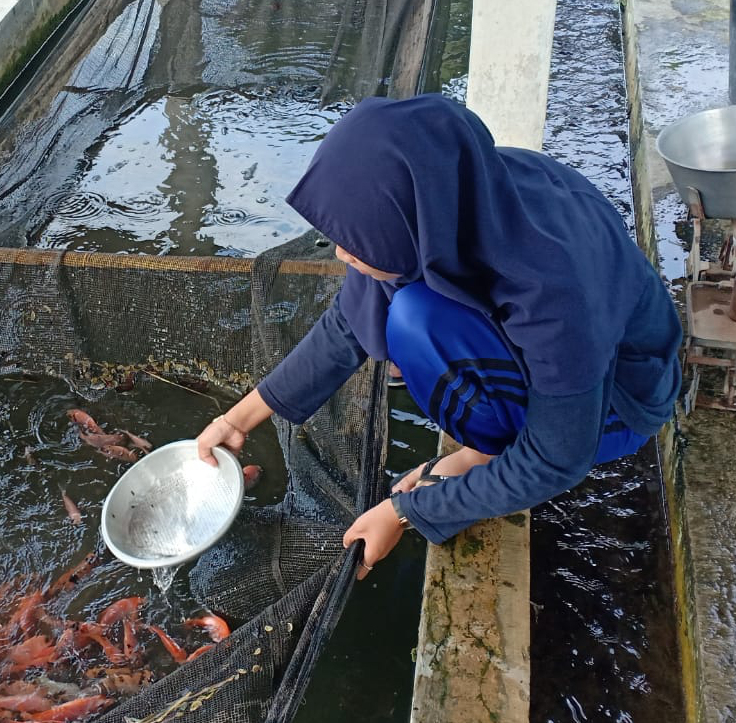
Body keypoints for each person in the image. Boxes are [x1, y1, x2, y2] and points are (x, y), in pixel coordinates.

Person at [197, 94, 682, 577]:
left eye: (357, 242)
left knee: (414, 320)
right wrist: (237, 421)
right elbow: (349, 322)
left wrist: (407, 512)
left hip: (616, 406)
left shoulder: (554, 290)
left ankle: (487, 449)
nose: (341, 254)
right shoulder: (451, 196)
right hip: (574, 356)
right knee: (398, 302)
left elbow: (559, 458)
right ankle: (488, 445)